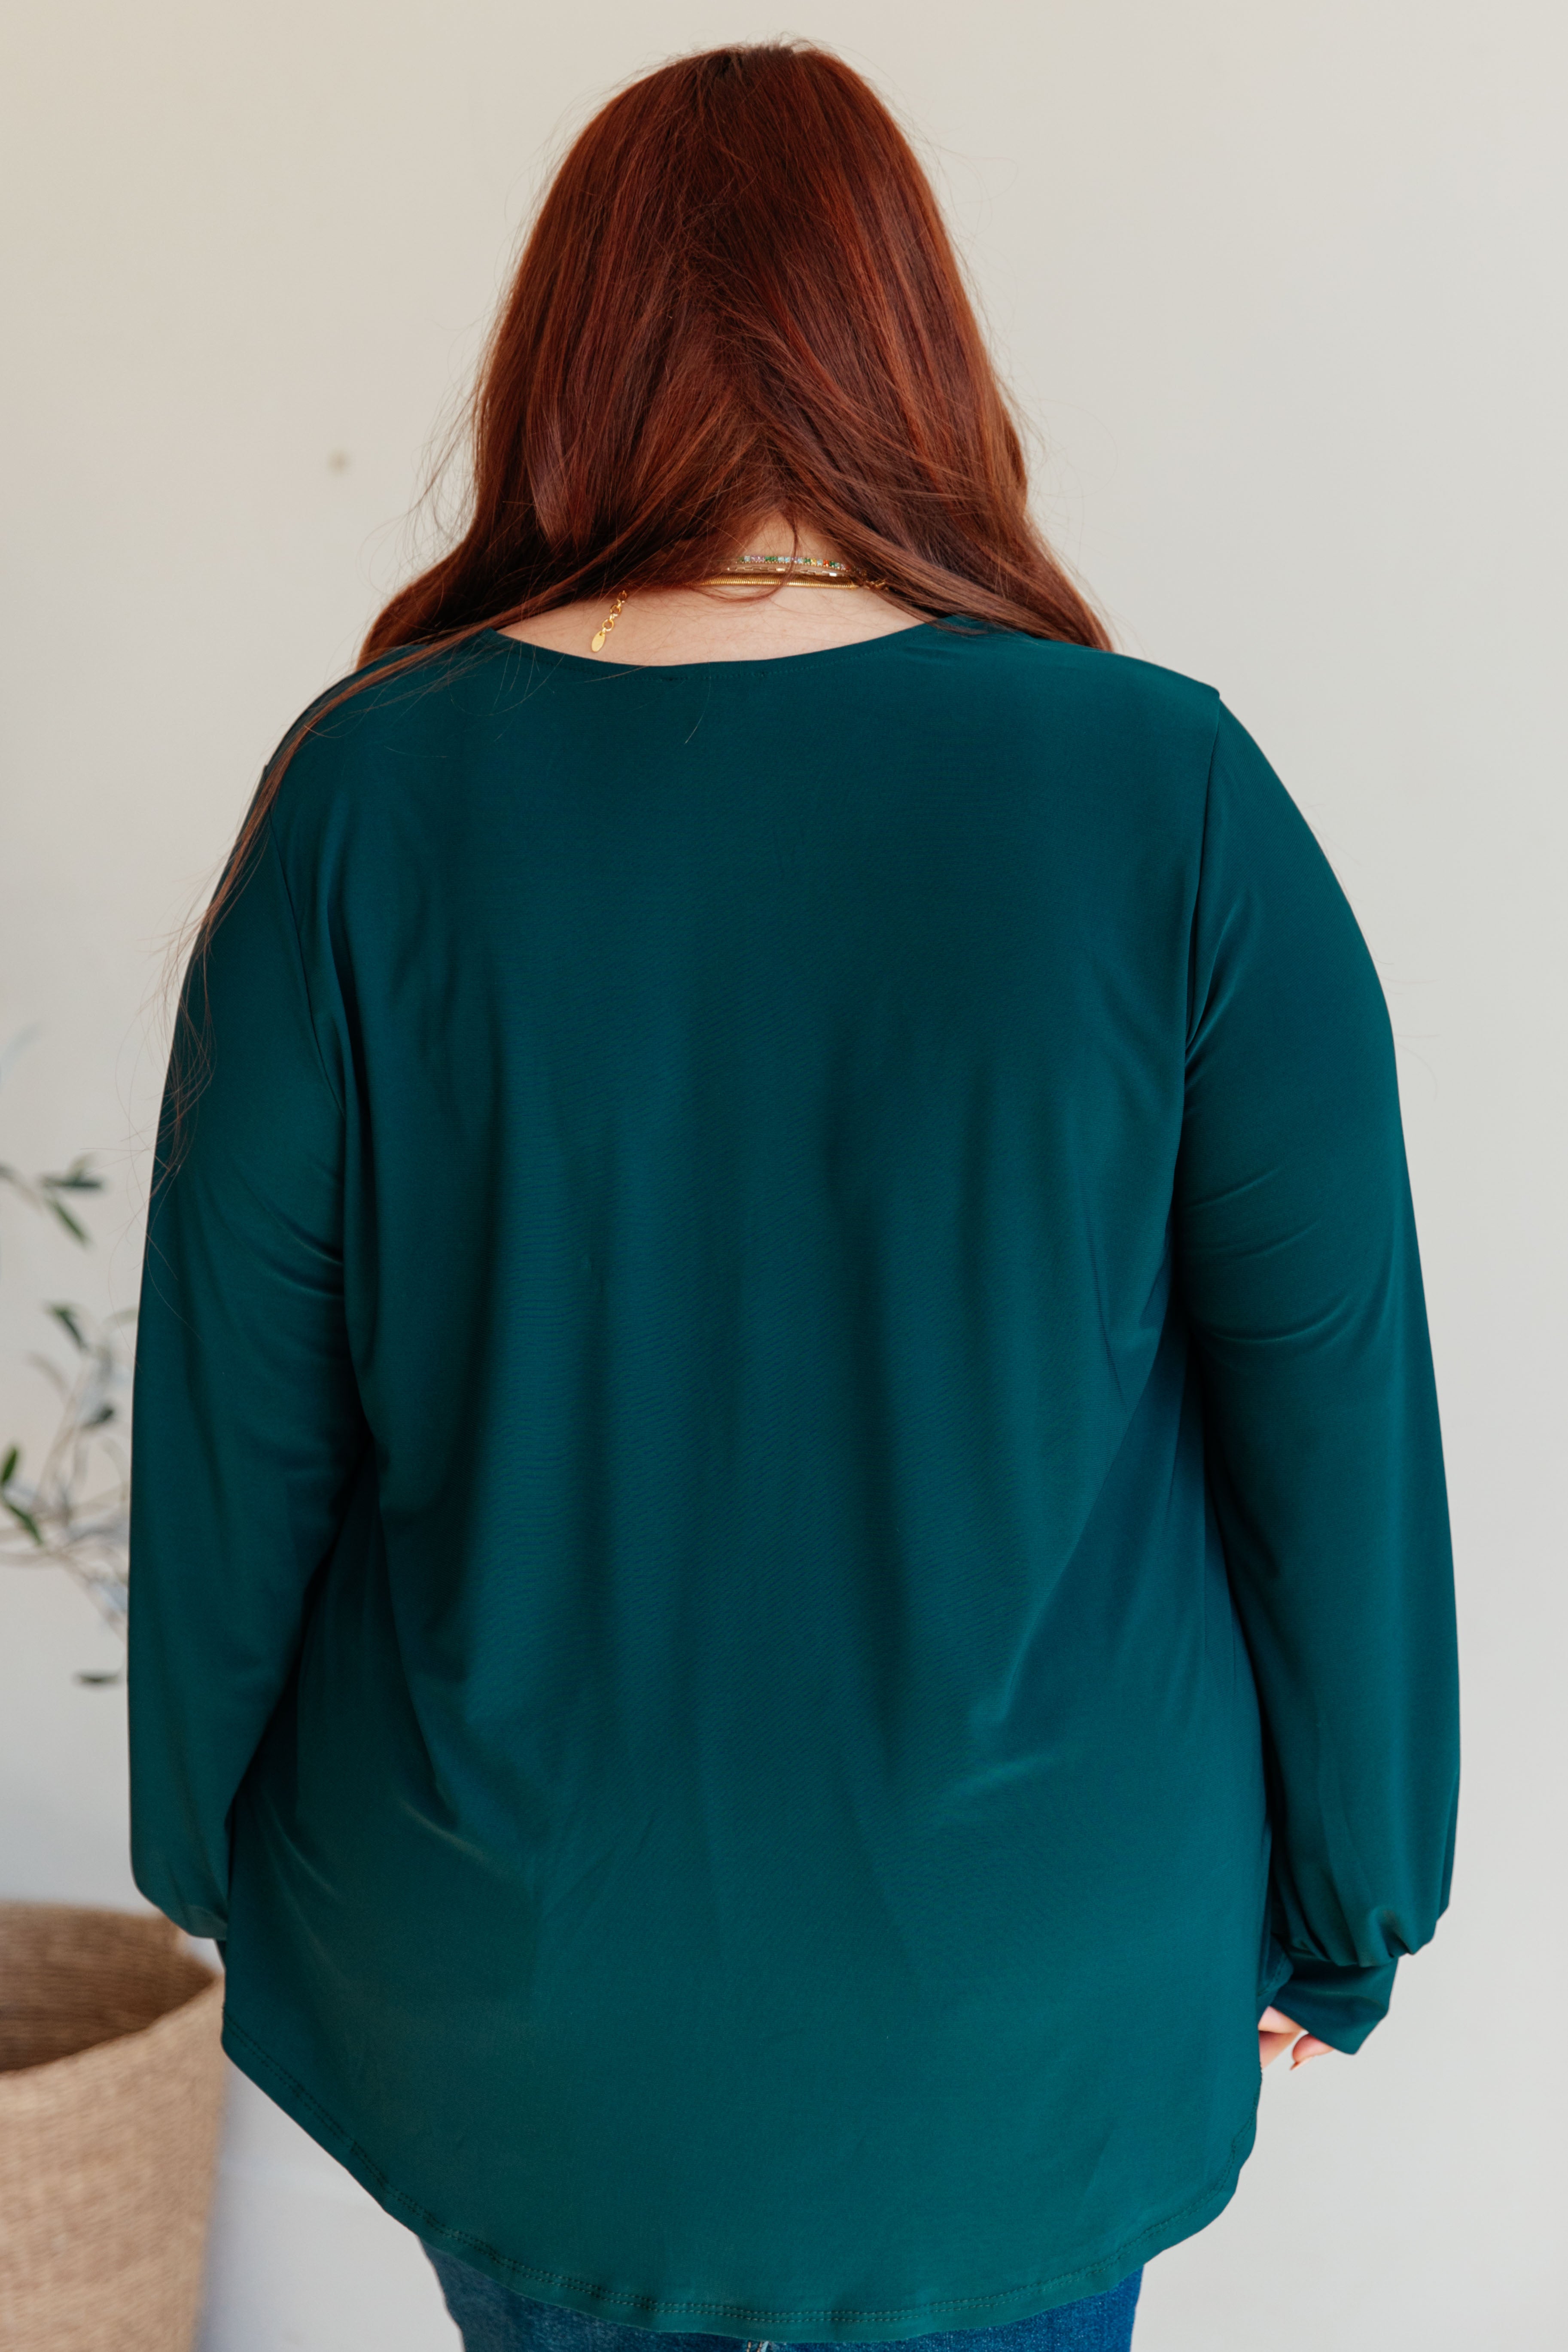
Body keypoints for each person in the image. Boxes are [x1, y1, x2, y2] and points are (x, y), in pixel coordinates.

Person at [126, 40, 1459, 2352]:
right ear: (916, 356)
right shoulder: (1168, 796)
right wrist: (1350, 1905)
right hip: (1017, 2012)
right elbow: (1333, 1415)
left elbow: (239, 1428)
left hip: (522, 2000)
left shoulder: (366, 804)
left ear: (560, 361)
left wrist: (214, 1857)